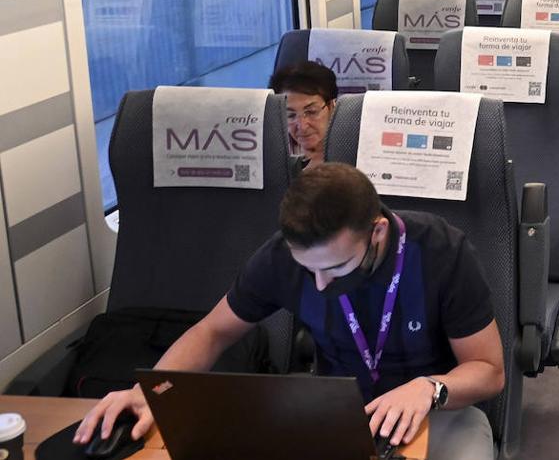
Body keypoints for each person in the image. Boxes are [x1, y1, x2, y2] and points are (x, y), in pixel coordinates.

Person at [76, 163, 504, 459]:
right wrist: (150, 391)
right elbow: (213, 332)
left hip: (438, 413)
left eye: (335, 267)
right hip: (336, 413)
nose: (319, 284)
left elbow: (489, 369)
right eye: (308, 269)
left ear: (376, 232)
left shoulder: (442, 252)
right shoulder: (282, 256)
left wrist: (429, 388)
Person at [269, 61, 337, 168]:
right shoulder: (274, 163)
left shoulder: (355, 156)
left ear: (332, 107)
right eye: (291, 115)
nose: (302, 126)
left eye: (311, 112)